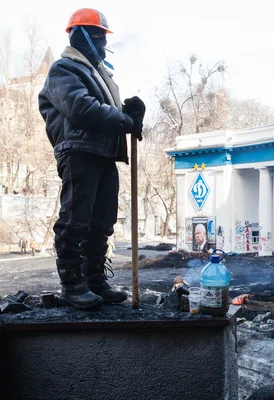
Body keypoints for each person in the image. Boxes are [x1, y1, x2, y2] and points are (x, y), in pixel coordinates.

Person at [38, 8, 145, 309]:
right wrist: (126, 120)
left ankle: (95, 280)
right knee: (76, 219)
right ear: (79, 35)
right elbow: (83, 109)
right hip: (79, 151)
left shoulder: (99, 75)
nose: (101, 42)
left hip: (104, 154)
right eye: (96, 35)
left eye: (103, 36)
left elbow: (105, 110)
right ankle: (72, 283)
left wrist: (129, 113)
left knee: (102, 222)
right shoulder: (64, 69)